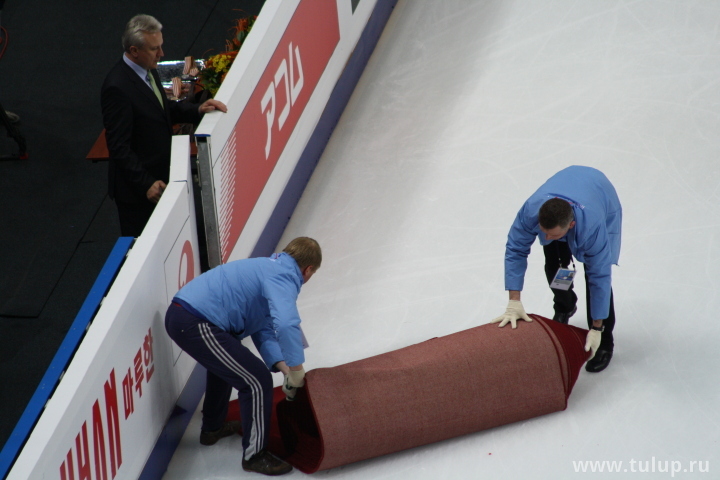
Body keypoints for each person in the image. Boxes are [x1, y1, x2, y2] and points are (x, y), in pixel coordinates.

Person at [165, 237, 321, 476]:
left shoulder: (269, 268)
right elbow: (286, 324)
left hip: (189, 317)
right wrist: (297, 368)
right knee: (256, 380)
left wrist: (287, 371)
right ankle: (254, 455)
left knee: (228, 366)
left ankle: (213, 429)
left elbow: (264, 327)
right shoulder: (284, 276)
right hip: (194, 320)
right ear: (308, 269)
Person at [101, 14, 227, 237]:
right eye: (155, 49)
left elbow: (161, 108)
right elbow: (118, 146)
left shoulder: (147, 70)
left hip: (161, 177)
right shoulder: (117, 87)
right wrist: (146, 184)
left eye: (161, 46)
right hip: (140, 194)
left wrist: (198, 109)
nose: (162, 53)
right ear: (134, 51)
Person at [491, 166, 621, 373]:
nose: (546, 238)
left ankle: (605, 342)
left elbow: (600, 278)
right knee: (556, 266)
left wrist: (597, 327)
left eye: (552, 234)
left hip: (600, 195)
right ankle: (565, 306)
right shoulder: (532, 211)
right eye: (543, 232)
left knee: (594, 278)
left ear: (571, 225)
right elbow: (515, 250)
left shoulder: (593, 228)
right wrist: (514, 301)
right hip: (565, 193)